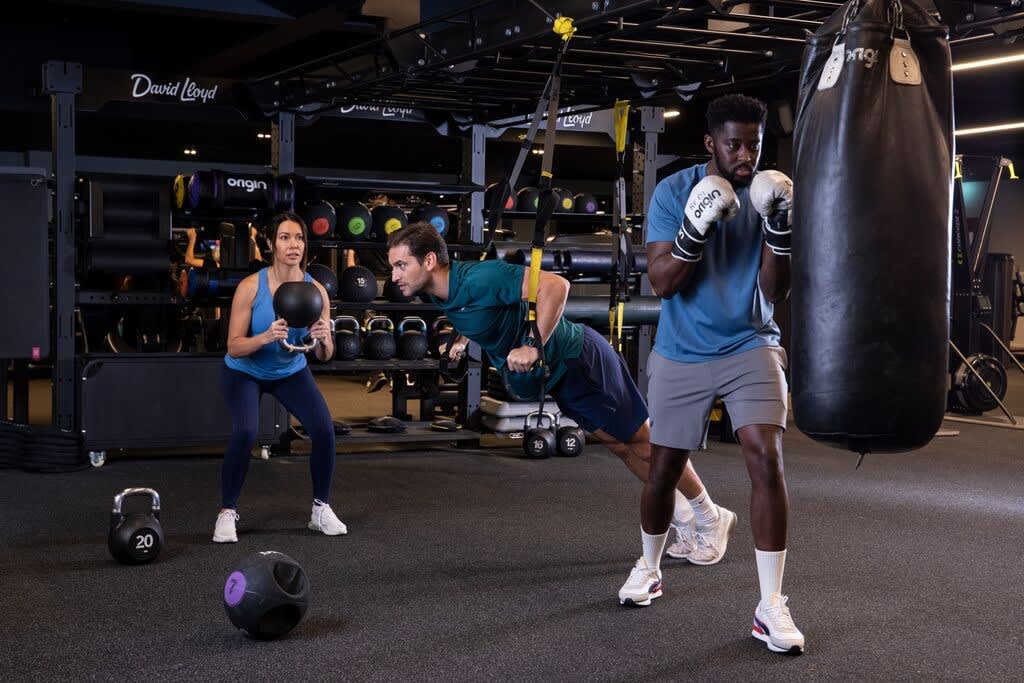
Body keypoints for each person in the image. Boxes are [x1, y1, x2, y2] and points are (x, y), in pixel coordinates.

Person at [387, 222, 736, 598]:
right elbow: (490, 314)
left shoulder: (479, 277)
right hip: (561, 378)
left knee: (648, 443)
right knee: (621, 449)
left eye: (400, 266)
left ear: (428, 260)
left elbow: (556, 286)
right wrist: (462, 340)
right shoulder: (443, 293)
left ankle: (711, 517)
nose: (394, 277)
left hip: (579, 360)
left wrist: (535, 344)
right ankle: (685, 519)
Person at [641, 93, 802, 653]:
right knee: (661, 471)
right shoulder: (671, 193)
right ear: (710, 142)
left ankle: (770, 606)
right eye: (734, 144)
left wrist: (778, 227)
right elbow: (661, 283)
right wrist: (695, 227)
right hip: (681, 349)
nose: (745, 155)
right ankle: (649, 565)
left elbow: (774, 291)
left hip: (749, 342)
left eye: (754, 144)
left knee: (766, 457)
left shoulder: (768, 194)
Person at [213, 212, 345, 543]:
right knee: (245, 430)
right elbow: (234, 347)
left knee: (325, 431)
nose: (293, 245)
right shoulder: (250, 288)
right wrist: (266, 337)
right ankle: (227, 512)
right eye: (285, 237)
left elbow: (325, 356)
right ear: (271, 243)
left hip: (290, 371)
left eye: (299, 237)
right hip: (245, 371)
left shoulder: (316, 292)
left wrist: (325, 338)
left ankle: (320, 509)